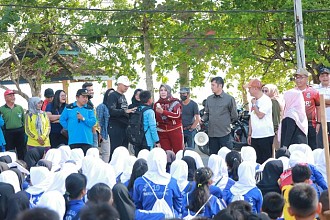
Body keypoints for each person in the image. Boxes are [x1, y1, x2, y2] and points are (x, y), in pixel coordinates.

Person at [133, 148, 182, 218]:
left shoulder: (139, 182)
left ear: (149, 161)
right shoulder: (172, 182)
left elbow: (137, 205)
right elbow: (178, 204)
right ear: (164, 161)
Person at [201, 77, 238, 153]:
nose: (211, 87)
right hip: (212, 133)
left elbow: (234, 116)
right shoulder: (209, 99)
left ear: (220, 86)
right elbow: (207, 113)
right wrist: (202, 120)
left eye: (213, 85)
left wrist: (226, 123)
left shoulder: (229, 99)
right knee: (213, 157)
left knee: (227, 156)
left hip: (225, 133)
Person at [245, 79, 274, 164]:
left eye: (249, 88)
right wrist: (250, 134)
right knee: (257, 161)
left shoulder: (266, 100)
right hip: (255, 135)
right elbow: (251, 117)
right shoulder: (253, 100)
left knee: (266, 161)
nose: (248, 91)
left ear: (255, 88)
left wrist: (254, 105)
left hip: (265, 134)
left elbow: (260, 115)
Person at [106, 76, 135, 159]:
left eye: (128, 86)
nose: (127, 87)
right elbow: (111, 111)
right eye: (125, 85)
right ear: (119, 84)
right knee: (116, 151)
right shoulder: (113, 95)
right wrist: (125, 111)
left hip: (124, 127)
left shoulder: (123, 96)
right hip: (115, 127)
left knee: (124, 151)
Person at [59, 89, 96, 155]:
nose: (85, 99)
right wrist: (69, 127)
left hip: (86, 140)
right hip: (74, 140)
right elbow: (62, 119)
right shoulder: (69, 108)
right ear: (77, 97)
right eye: (83, 97)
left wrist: (83, 119)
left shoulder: (89, 108)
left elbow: (93, 122)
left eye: (87, 97)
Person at [294, 68, 321, 149]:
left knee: (312, 147)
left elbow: (318, 108)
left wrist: (318, 123)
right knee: (299, 148)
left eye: (301, 77)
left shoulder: (313, 92)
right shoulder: (292, 92)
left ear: (307, 78)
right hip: (297, 124)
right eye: (297, 77)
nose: (298, 80)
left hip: (310, 124)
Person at [154, 84, 184, 153]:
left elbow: (177, 115)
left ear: (169, 91)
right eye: (161, 90)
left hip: (175, 130)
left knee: (178, 153)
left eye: (165, 90)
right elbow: (155, 118)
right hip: (162, 132)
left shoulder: (175, 102)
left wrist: (163, 112)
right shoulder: (157, 104)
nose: (163, 92)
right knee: (166, 154)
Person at [0, 90, 26, 159]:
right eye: (10, 96)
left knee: (21, 150)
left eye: (13, 95)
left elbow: (24, 120)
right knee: (10, 151)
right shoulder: (1, 109)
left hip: (19, 131)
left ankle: (22, 164)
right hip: (8, 132)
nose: (12, 97)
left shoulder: (19, 108)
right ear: (5, 98)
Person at [134, 90, 160, 156]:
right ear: (149, 100)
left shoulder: (137, 109)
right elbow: (153, 128)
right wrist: (157, 141)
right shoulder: (150, 111)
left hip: (137, 139)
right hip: (147, 140)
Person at [262, 84, 282, 153]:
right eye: (263, 91)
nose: (264, 93)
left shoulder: (274, 101)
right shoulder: (265, 101)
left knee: (275, 149)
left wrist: (275, 129)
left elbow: (276, 117)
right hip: (268, 129)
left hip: (273, 130)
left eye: (266, 91)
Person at [96, 88, 114, 162]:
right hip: (105, 132)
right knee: (105, 153)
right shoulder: (102, 106)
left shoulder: (114, 106)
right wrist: (100, 133)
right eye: (110, 94)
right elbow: (99, 120)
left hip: (114, 132)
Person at [314, 67, 330, 146]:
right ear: (319, 78)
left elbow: (319, 101)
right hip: (320, 121)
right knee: (320, 145)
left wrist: (322, 102)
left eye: (327, 75)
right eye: (322, 76)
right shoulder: (315, 89)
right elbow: (315, 102)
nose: (325, 78)